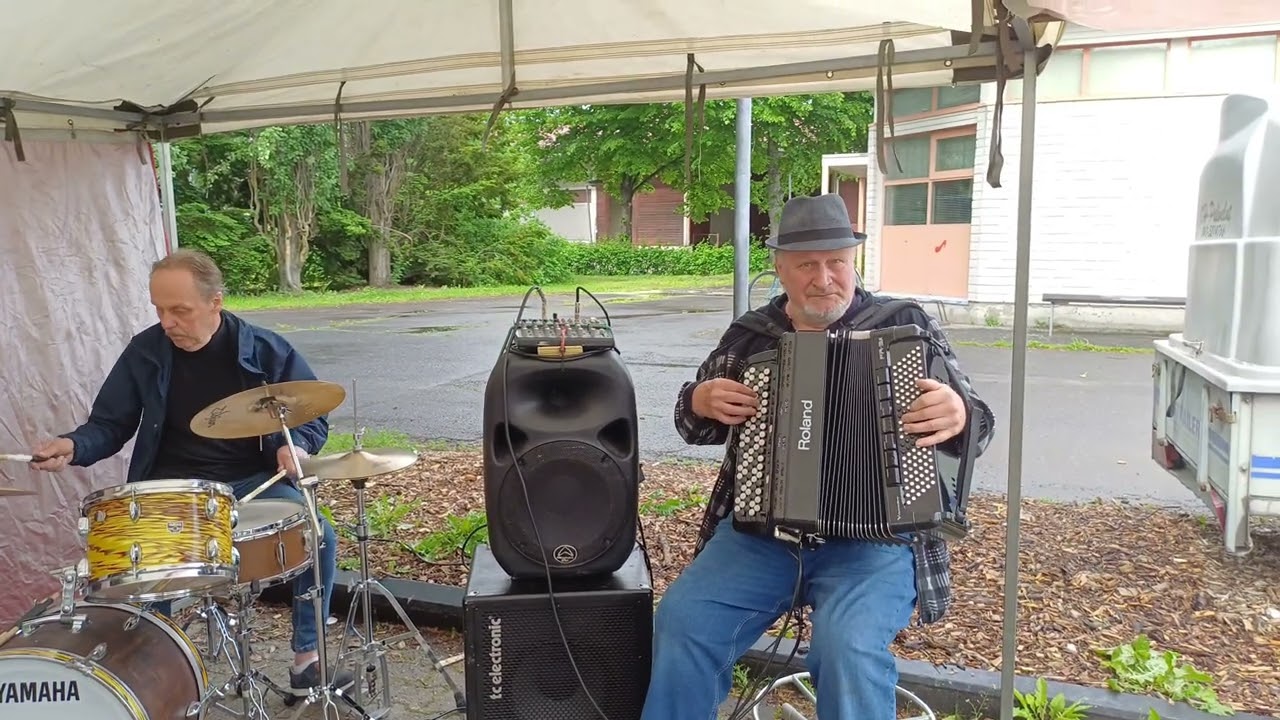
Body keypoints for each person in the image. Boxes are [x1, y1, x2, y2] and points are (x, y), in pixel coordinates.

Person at [641, 194, 996, 720]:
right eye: (807, 264)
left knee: (847, 646)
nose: (825, 277)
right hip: (760, 540)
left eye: (837, 262)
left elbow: (979, 424)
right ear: (781, 268)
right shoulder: (752, 335)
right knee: (683, 621)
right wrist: (698, 398)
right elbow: (692, 426)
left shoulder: (905, 326)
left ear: (854, 262)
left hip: (873, 542)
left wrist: (960, 414)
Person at [29, 248, 353, 697]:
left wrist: (295, 446)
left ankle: (307, 662)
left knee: (318, 535)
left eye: (179, 311)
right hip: (167, 488)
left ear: (215, 302)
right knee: (142, 574)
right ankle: (147, 681)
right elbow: (109, 424)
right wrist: (71, 446)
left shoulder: (264, 350)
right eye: (159, 310)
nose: (167, 323)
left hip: (251, 484)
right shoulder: (146, 351)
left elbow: (310, 414)